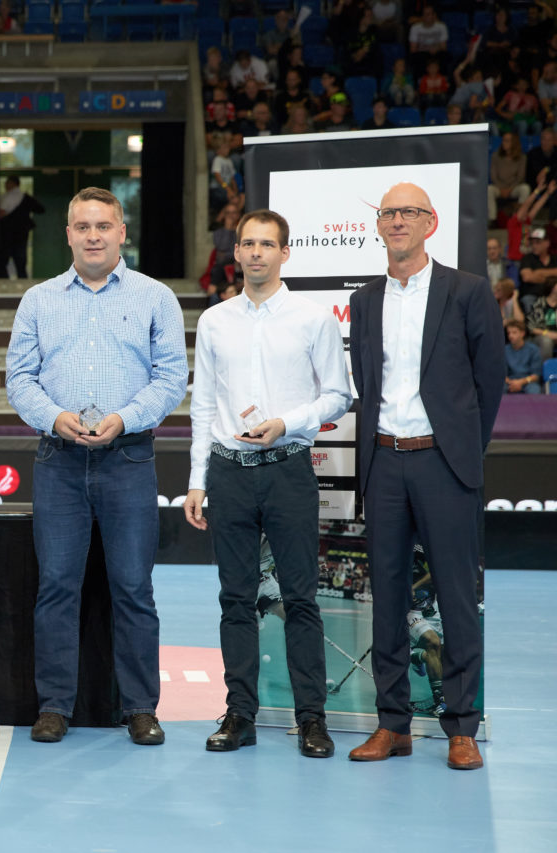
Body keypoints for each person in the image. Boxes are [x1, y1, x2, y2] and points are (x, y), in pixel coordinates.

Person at [5, 187, 188, 744]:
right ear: (67, 234)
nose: (93, 236)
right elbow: (19, 378)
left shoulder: (156, 297)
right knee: (57, 586)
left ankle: (140, 707)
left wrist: (126, 418)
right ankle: (55, 705)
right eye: (82, 226)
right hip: (58, 458)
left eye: (103, 226)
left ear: (121, 232)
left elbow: (171, 376)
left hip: (128, 457)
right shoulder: (38, 299)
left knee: (133, 586)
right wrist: (53, 416)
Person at [346, 183, 504, 770]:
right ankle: (394, 725)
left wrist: (463, 449)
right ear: (379, 225)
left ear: (431, 223)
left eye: (409, 212)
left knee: (458, 598)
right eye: (388, 212)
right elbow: (367, 382)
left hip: (444, 461)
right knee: (385, 597)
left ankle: (461, 726)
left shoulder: (468, 291)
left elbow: (489, 384)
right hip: (384, 461)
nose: (398, 221)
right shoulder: (364, 301)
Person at [183, 209, 351, 758]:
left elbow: (338, 395)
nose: (256, 253)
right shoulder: (214, 321)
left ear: (285, 253)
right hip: (229, 473)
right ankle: (239, 715)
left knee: (301, 599)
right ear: (236, 253)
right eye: (247, 244)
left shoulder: (313, 319)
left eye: (267, 244)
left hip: (289, 469)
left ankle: (311, 719)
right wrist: (196, 480)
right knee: (236, 601)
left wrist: (289, 422)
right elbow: (203, 405)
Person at [0, 176, 44, 279]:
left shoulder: (8, 196)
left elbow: (1, 212)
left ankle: (3, 282)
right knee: (20, 260)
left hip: (7, 232)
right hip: (21, 232)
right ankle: (23, 283)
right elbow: (40, 209)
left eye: (7, 182)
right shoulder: (25, 197)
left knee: (3, 260)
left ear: (13, 183)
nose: (5, 185)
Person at [504, 319, 544, 395]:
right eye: (509, 333)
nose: (510, 336)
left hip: (528, 382)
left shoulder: (533, 350)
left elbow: (536, 375)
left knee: (534, 390)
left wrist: (520, 382)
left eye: (514, 332)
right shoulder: (504, 350)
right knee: (500, 390)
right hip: (510, 382)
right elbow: (502, 374)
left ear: (522, 333)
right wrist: (512, 383)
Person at [527, 278, 557, 360]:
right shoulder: (539, 304)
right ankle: (545, 369)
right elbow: (531, 328)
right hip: (542, 335)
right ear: (552, 288)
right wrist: (547, 333)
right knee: (546, 341)